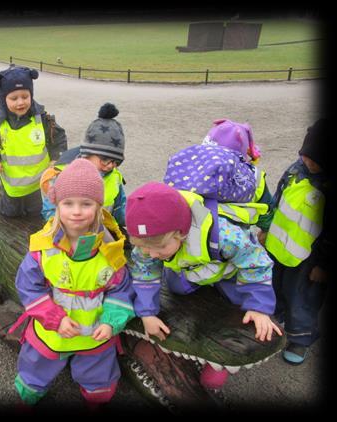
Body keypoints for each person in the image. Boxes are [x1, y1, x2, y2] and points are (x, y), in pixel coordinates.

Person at [125, 181, 282, 390]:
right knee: (176, 288)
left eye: (159, 247)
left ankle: (221, 364)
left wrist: (259, 307)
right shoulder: (148, 244)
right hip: (189, 267)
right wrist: (146, 313)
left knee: (240, 303)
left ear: (181, 232)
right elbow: (145, 274)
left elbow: (256, 263)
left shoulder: (227, 236)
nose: (152, 254)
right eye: (143, 248)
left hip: (226, 270)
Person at [9, 159, 135, 407]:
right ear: (57, 206)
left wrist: (111, 322)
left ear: (98, 207)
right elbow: (28, 286)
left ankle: (96, 395)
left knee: (99, 380)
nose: (76, 211)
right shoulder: (43, 248)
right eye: (68, 203)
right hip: (51, 330)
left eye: (86, 204)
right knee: (35, 369)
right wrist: (55, 319)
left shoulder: (110, 250)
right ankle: (30, 393)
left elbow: (121, 289)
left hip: (94, 333)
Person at [258, 118, 332, 365]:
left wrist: (323, 265)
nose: (308, 161)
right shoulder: (295, 169)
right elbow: (276, 201)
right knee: (274, 285)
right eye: (305, 154)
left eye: (315, 160)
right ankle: (274, 319)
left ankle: (301, 337)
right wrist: (266, 229)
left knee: (302, 298)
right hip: (278, 247)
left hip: (308, 261)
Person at [0, 65, 68, 217]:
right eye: (13, 98)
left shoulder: (43, 119)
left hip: (39, 186)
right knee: (10, 216)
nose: (20, 102)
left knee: (36, 216)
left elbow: (58, 140)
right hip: (12, 188)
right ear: (3, 99)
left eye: (25, 97)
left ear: (31, 95)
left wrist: (56, 159)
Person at [40, 103, 127, 227]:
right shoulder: (64, 175)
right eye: (105, 160)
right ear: (87, 154)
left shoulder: (115, 178)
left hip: (101, 235)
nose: (110, 166)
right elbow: (49, 210)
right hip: (69, 234)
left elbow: (120, 209)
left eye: (116, 162)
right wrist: (68, 226)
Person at [201, 118, 272, 230]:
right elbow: (267, 210)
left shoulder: (195, 169)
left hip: (198, 234)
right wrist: (266, 230)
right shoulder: (254, 176)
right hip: (237, 239)